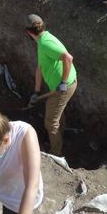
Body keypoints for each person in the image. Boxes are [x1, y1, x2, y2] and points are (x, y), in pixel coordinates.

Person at [25, 14, 77, 156]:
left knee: (50, 122)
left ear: (29, 32)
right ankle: (60, 136)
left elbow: (68, 58)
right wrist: (36, 92)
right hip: (63, 84)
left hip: (64, 86)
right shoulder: (44, 39)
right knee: (56, 113)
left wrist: (63, 83)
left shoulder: (45, 44)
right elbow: (40, 68)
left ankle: (56, 154)